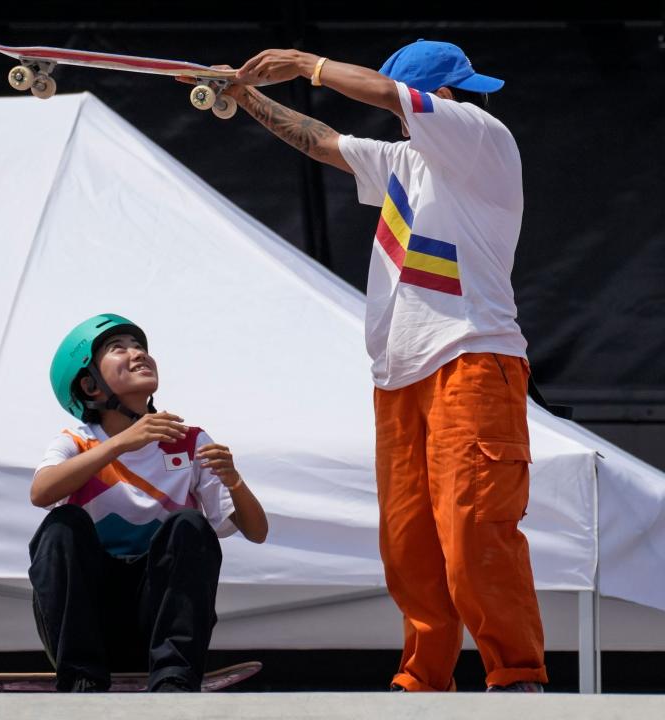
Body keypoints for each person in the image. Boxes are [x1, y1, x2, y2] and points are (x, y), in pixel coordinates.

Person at [206, 40, 547, 692]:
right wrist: (244, 94)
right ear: (438, 94)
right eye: (455, 88)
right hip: (399, 376)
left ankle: (516, 676)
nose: (461, 98)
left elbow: (387, 96)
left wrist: (307, 66)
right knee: (408, 543)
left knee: (476, 527)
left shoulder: (482, 137)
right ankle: (423, 681)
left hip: (472, 360)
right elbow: (323, 142)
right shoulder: (404, 162)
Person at [29, 313, 268, 692]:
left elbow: (256, 532)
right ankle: (81, 682)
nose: (138, 353)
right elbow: (41, 493)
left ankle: (174, 678)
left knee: (188, 525)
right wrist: (122, 443)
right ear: (91, 386)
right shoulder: (75, 442)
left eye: (140, 346)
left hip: (157, 620)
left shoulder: (190, 440)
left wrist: (234, 480)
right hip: (88, 624)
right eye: (118, 348)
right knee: (62, 526)